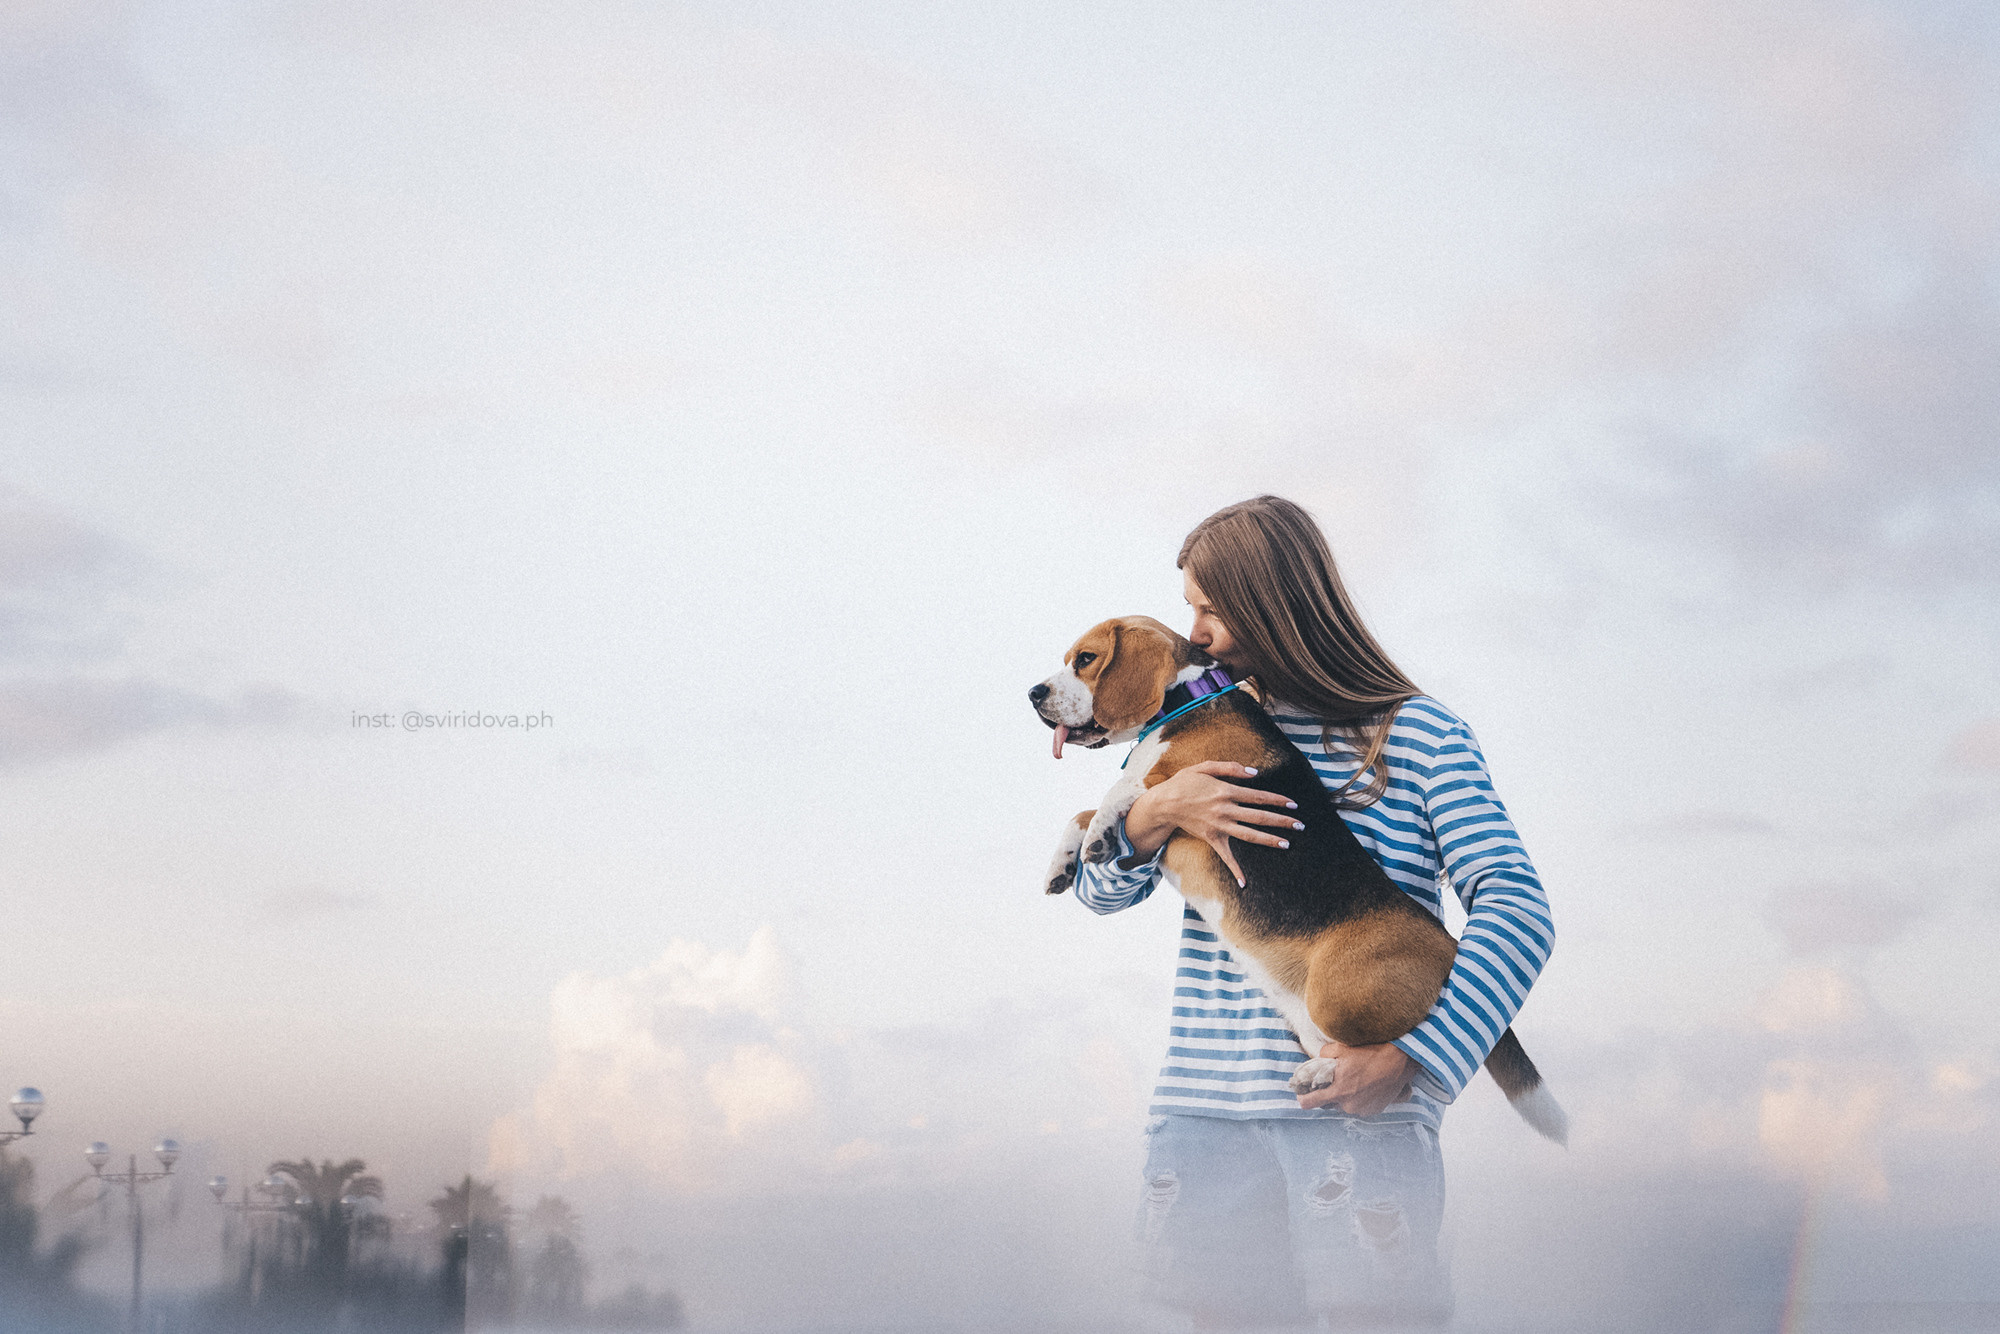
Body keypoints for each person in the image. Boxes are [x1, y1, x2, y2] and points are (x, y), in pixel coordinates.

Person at [1071, 495, 1554, 1330]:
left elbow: (1517, 906)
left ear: (1277, 605)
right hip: (1200, 1121)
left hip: (1358, 1123)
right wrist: (1154, 812)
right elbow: (1100, 893)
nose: (1196, 633)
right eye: (1188, 607)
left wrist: (1416, 1056)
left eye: (1212, 609)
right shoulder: (1195, 731)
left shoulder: (1420, 736)